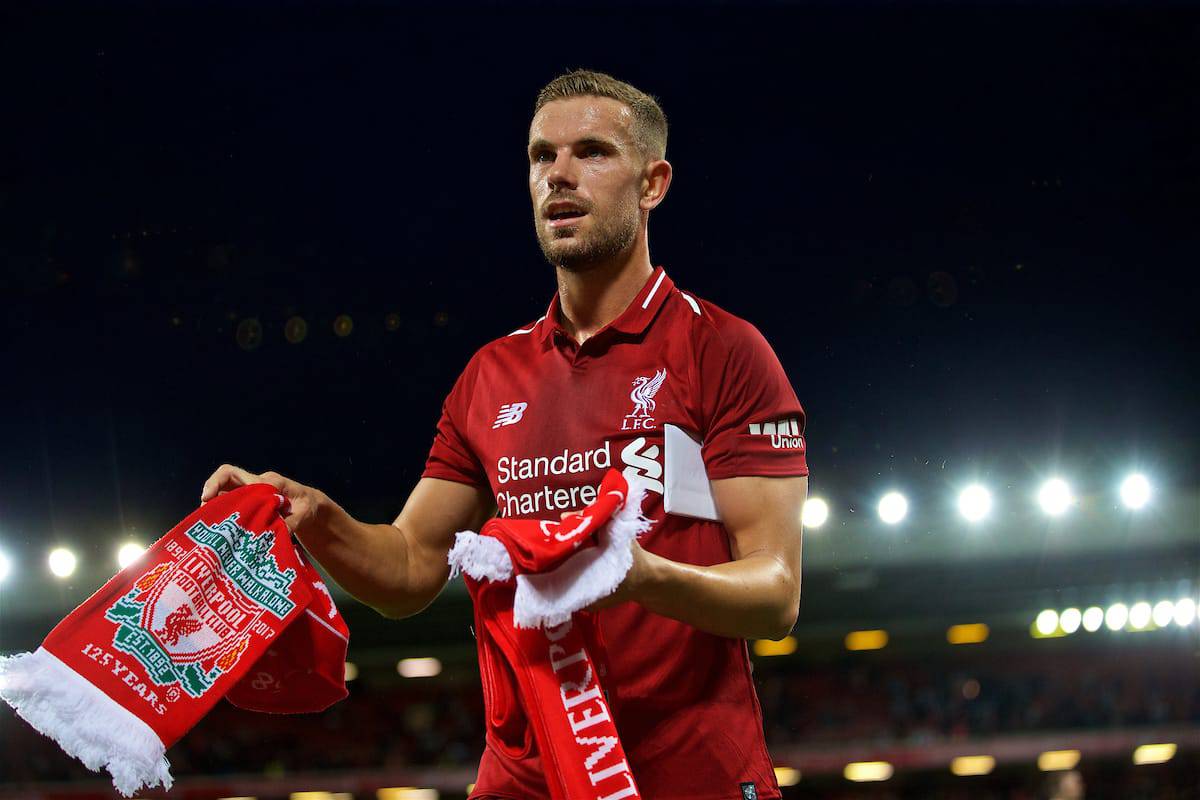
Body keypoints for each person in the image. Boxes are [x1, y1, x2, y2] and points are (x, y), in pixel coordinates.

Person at [201, 69, 809, 800]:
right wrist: (313, 516)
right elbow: (407, 571)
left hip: (689, 773)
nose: (558, 175)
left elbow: (776, 594)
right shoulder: (490, 375)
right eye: (539, 157)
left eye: (591, 152)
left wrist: (639, 576)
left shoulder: (724, 350)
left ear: (654, 184)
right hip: (526, 775)